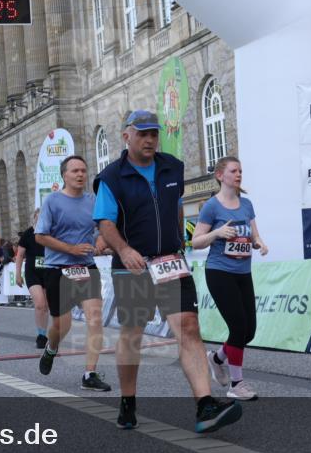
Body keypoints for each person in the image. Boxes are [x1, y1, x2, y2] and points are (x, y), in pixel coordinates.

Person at [93, 109, 242, 434]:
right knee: (132, 333)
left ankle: (205, 405)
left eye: (153, 133)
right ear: (126, 136)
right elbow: (104, 221)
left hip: (169, 261)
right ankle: (128, 400)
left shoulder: (172, 166)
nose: (149, 139)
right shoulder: (111, 177)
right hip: (132, 266)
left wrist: (179, 244)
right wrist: (124, 249)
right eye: (142, 133)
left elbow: (174, 205)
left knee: (188, 327)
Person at [191, 156, 268, 401]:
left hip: (243, 273)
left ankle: (216, 359)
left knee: (249, 332)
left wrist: (259, 243)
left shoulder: (246, 205)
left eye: (240, 171)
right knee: (237, 327)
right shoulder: (212, 207)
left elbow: (254, 236)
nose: (238, 175)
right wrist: (217, 232)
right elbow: (195, 241)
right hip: (219, 272)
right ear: (220, 175)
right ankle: (236, 384)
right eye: (234, 171)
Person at [36, 155, 112, 392]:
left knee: (95, 317)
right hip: (58, 268)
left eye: (83, 170)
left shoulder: (93, 201)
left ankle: (89, 373)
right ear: (64, 175)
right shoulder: (52, 201)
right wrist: (70, 248)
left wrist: (100, 239)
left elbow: (103, 228)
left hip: (86, 268)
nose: (80, 174)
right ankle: (51, 347)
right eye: (75, 171)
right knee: (62, 324)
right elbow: (40, 236)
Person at [15, 209, 50, 349]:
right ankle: (40, 335)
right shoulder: (28, 234)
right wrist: (18, 274)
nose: (41, 219)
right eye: (38, 217)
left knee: (46, 306)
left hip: (48, 272)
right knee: (40, 303)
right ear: (34, 218)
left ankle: (43, 333)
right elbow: (19, 256)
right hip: (32, 273)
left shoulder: (51, 233)